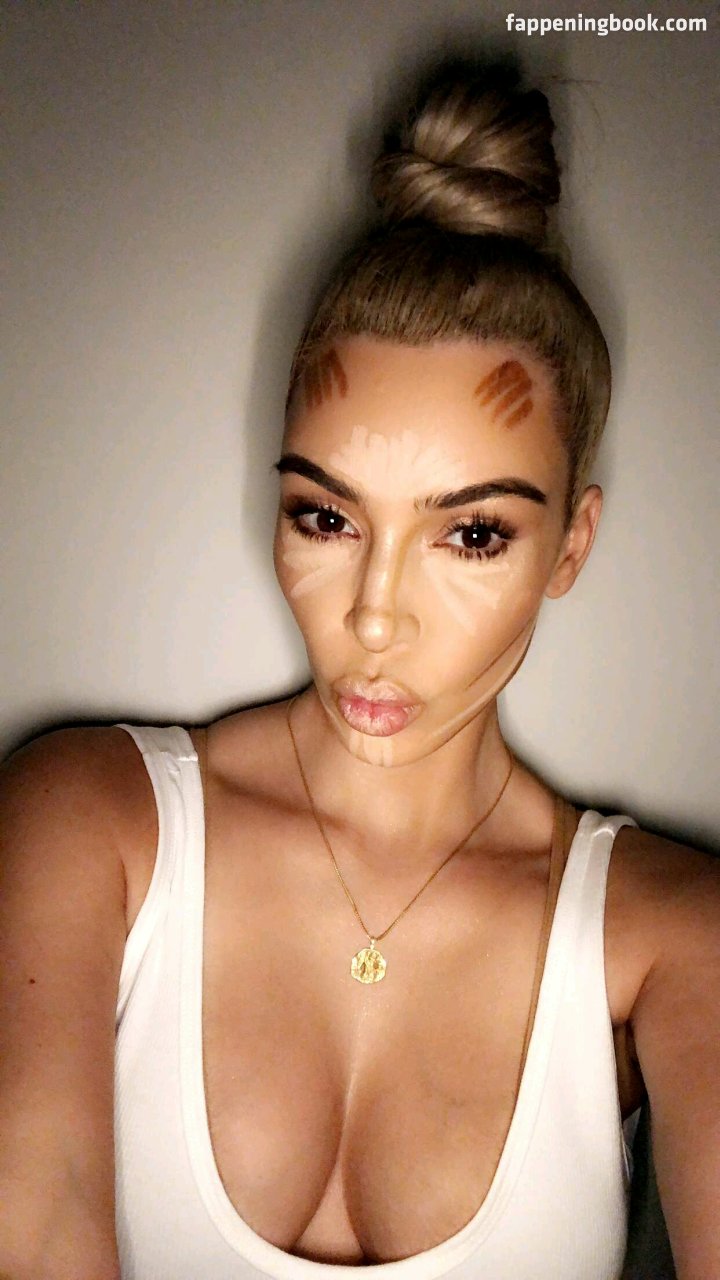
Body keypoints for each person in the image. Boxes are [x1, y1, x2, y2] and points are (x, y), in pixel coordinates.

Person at [1, 67, 718, 1280]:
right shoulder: (87, 819)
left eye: (472, 533)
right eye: (327, 517)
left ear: (571, 546)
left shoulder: (673, 931)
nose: (376, 613)